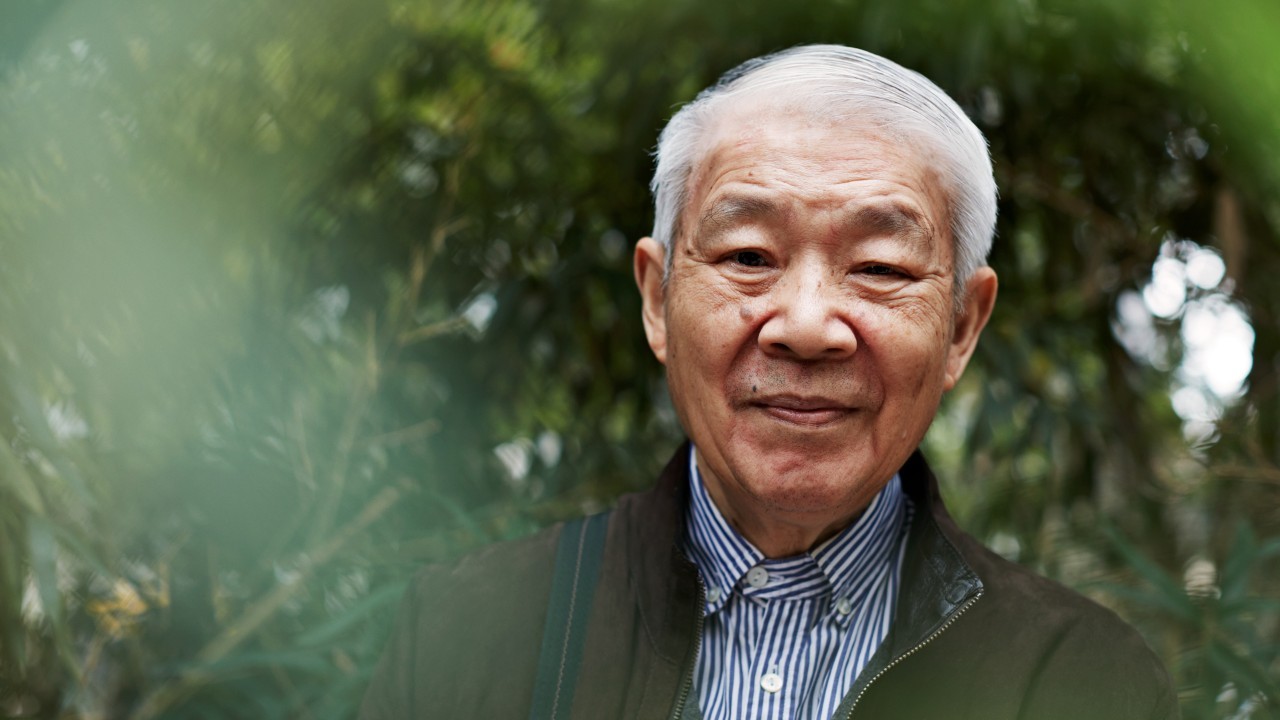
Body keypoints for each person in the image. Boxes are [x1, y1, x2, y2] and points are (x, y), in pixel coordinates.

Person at [359, 44, 1178, 719]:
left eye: (879, 267)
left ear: (962, 326)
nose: (807, 327)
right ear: (657, 299)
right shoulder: (468, 636)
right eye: (749, 256)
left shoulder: (1083, 681)